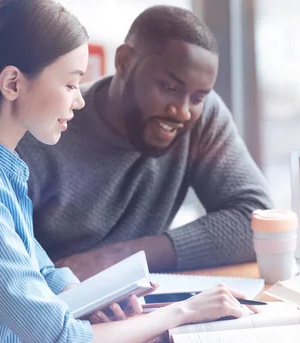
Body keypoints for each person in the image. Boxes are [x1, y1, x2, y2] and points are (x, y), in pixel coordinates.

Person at [0, 1, 254, 343]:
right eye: (71, 83)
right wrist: (182, 312)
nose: (79, 101)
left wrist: (98, 301)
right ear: (12, 84)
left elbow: (45, 278)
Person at [16, 5, 273, 281]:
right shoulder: (43, 133)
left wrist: (119, 258)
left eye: (197, 98)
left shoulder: (203, 117)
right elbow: (10, 268)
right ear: (125, 62)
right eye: (168, 87)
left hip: (145, 302)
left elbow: (258, 223)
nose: (183, 111)